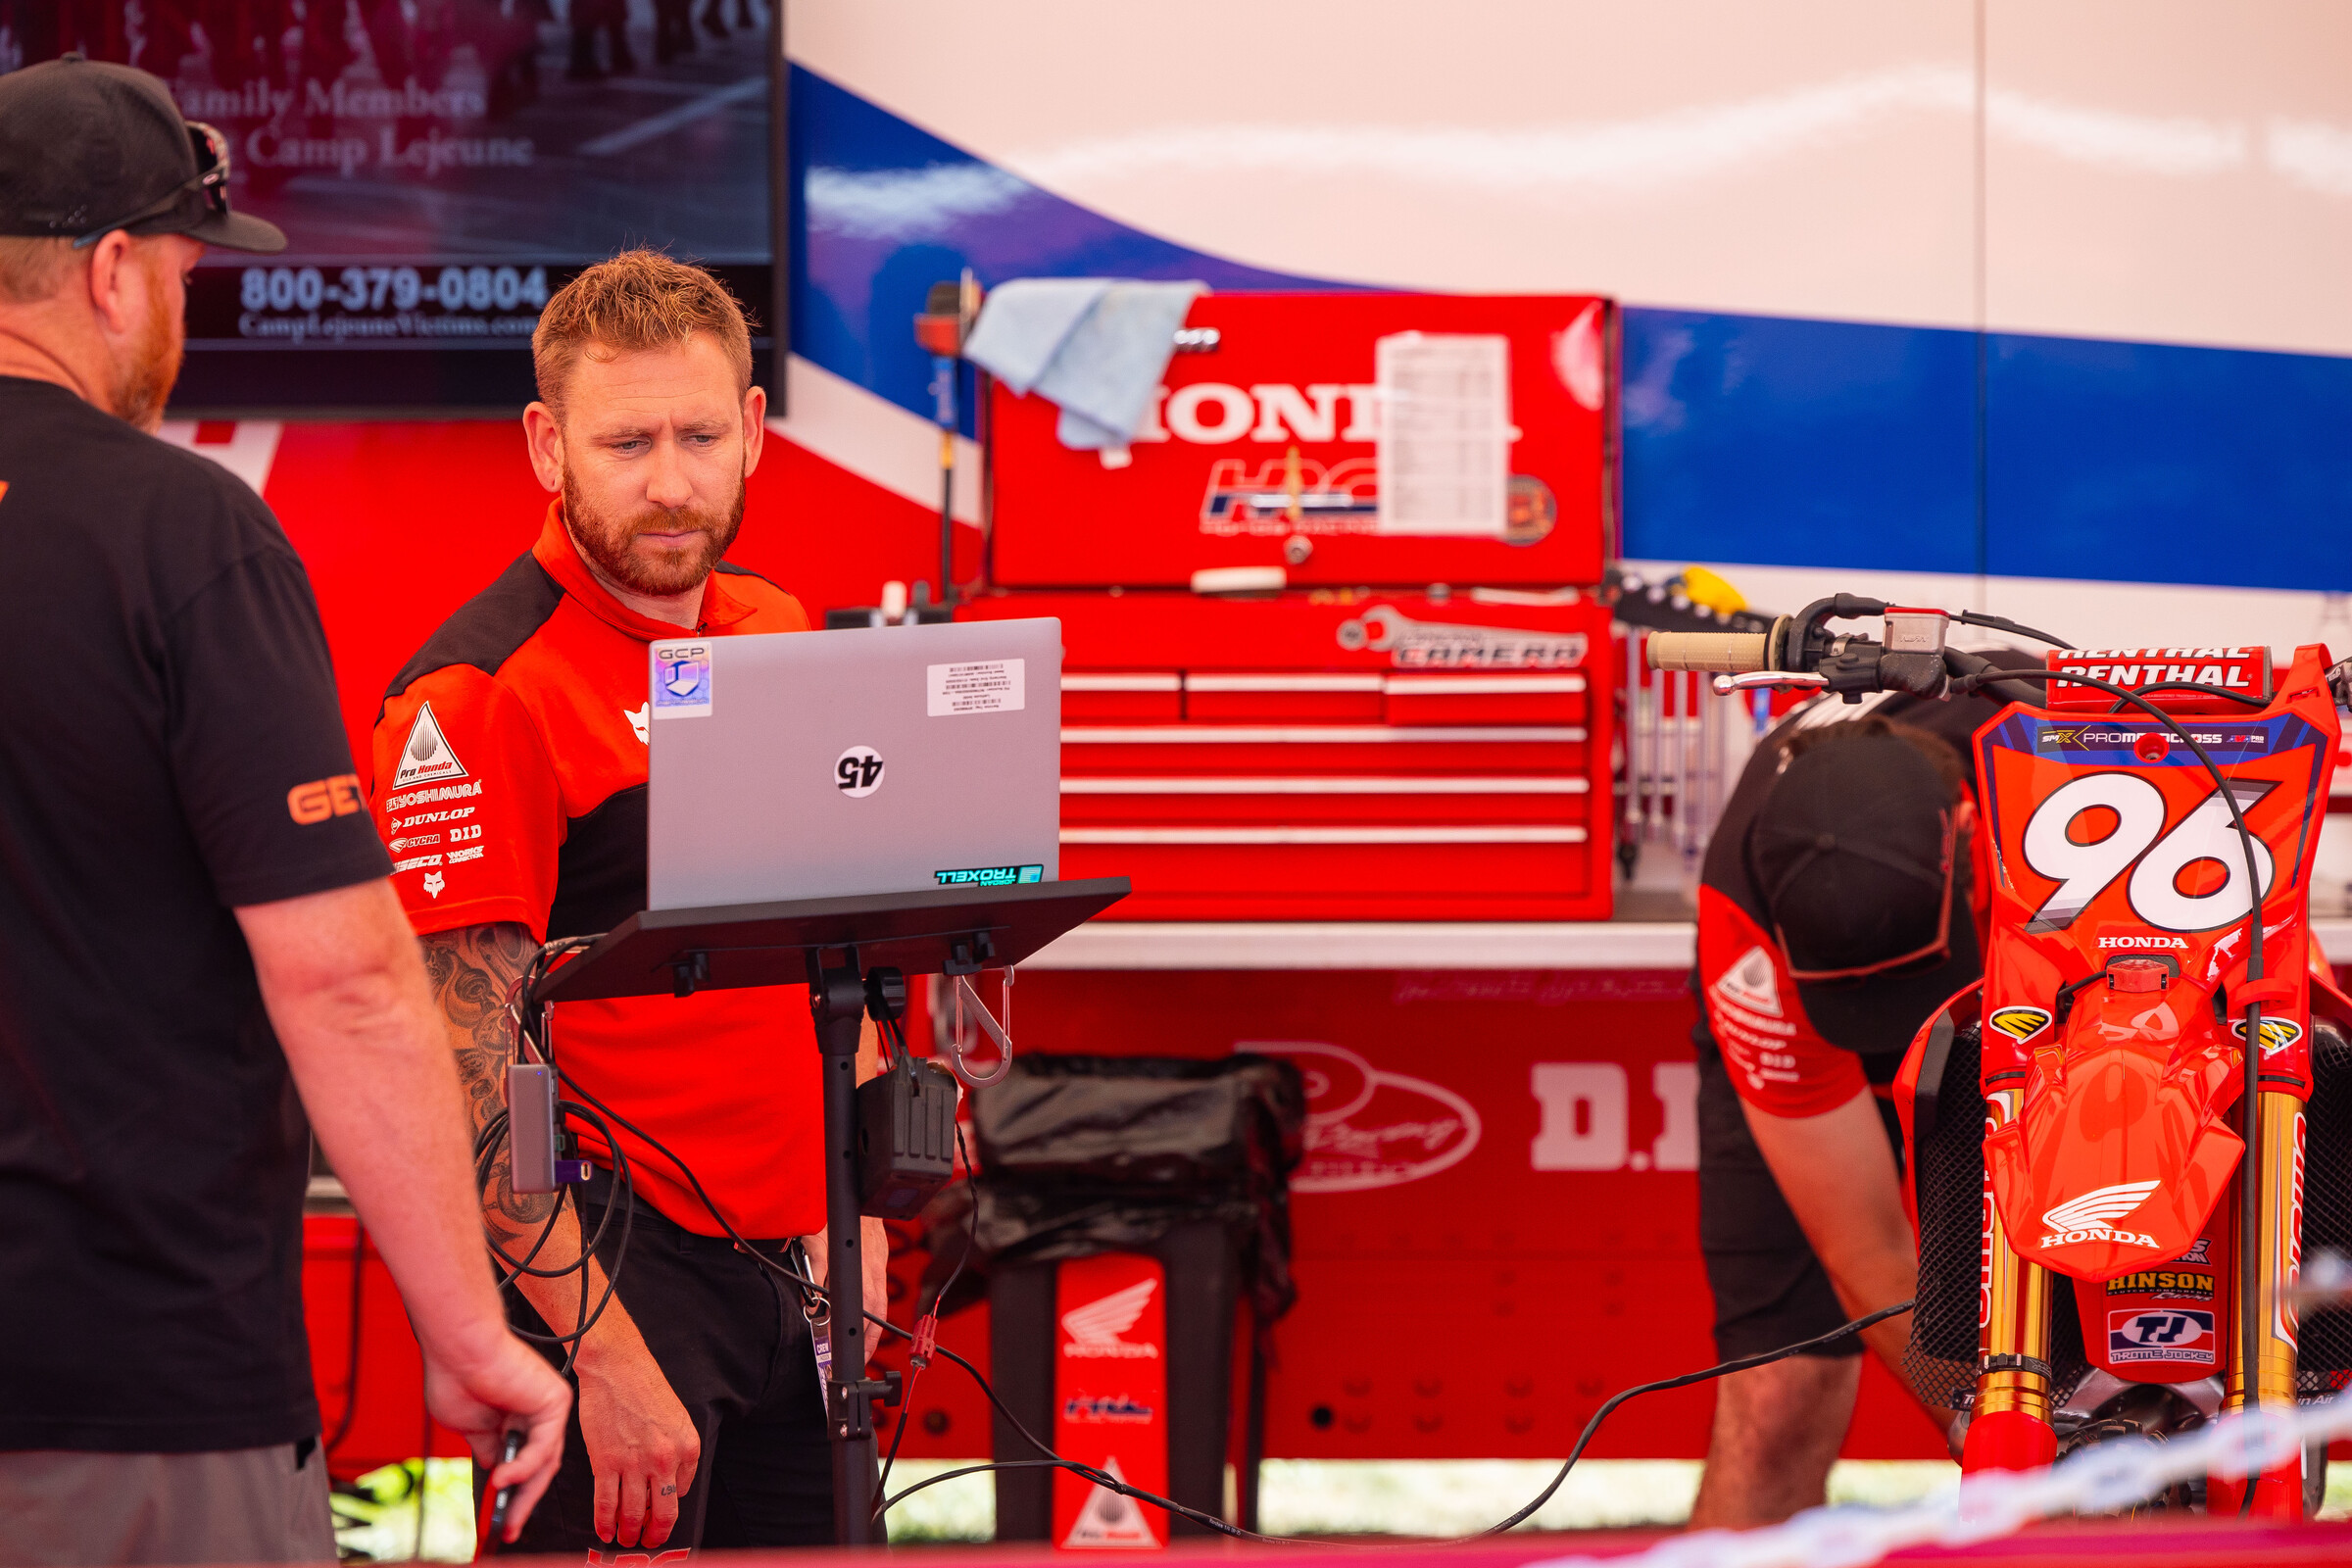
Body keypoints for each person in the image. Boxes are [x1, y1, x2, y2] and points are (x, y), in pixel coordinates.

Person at [0, 58, 569, 1565]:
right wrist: (469, 1334)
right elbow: (349, 976)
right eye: (188, 270)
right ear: (113, 272)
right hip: (126, 1388)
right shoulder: (178, 531)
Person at [371, 249, 887, 1555]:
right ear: (548, 447)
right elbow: (463, 1078)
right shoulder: (482, 695)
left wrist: (861, 1223)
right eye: (627, 441)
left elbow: (842, 939)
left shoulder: (776, 629)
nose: (671, 481)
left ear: (756, 431)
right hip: (616, 1283)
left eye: (702, 434)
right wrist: (598, 1355)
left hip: (799, 1280)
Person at [1685, 669, 2024, 1528]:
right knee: (1778, 1398)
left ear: (1969, 833)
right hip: (1804, 1011)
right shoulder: (1749, 928)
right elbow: (1867, 1251)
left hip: (2032, 997)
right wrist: (1989, 1437)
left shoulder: (2060, 799)